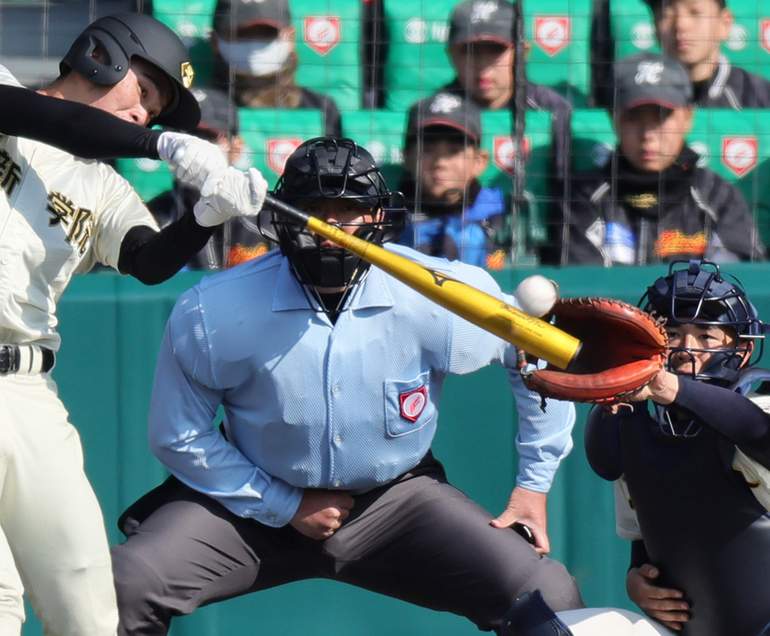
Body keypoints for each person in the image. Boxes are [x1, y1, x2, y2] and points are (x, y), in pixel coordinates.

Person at [0, 12, 266, 636]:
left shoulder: (105, 189)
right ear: (99, 55)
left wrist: (208, 216)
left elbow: (149, 261)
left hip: (30, 400)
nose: (146, 117)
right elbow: (58, 123)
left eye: (157, 113)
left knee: (90, 613)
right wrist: (159, 146)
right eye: (145, 91)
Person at [111, 137, 585, 635]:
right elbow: (177, 435)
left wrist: (534, 482)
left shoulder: (439, 291)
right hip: (249, 500)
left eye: (350, 210)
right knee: (127, 583)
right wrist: (283, 504)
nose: (332, 227)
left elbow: (533, 354)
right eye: (314, 209)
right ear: (282, 216)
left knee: (547, 594)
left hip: (397, 502)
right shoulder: (216, 307)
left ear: (378, 216)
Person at [582, 259, 770, 635]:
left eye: (707, 335)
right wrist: (638, 579)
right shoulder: (633, 431)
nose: (687, 349)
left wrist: (667, 387)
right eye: (672, 334)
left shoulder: (760, 408)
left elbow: (755, 431)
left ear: (743, 352)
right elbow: (645, 537)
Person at [556, 51, 764, 266]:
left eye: (662, 117)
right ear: (613, 119)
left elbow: (736, 287)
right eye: (633, 118)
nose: (648, 134)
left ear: (687, 117)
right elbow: (583, 290)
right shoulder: (583, 197)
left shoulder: (717, 197)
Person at [439, 0, 572, 187]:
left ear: (523, 52)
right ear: (451, 55)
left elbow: (564, 189)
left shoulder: (553, 110)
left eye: (495, 50)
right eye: (470, 51)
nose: (483, 66)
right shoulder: (433, 114)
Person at [148, 86, 273, 270]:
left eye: (207, 136)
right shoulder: (147, 220)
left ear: (236, 148)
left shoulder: (270, 222)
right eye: (181, 136)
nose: (193, 147)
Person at [398, 91, 510, 269]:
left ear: (479, 161)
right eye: (427, 150)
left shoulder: (502, 215)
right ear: (406, 158)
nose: (440, 163)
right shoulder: (385, 217)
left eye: (454, 151)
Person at [209, 0, 342, 136]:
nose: (255, 45)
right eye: (241, 34)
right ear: (215, 41)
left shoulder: (322, 109)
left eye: (268, 33)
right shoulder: (201, 110)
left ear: (290, 38)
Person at [642, 0, 770, 109]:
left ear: (724, 23)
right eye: (666, 15)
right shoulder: (636, 93)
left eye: (695, 12)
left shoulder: (759, 96)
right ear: (654, 27)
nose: (680, 25)